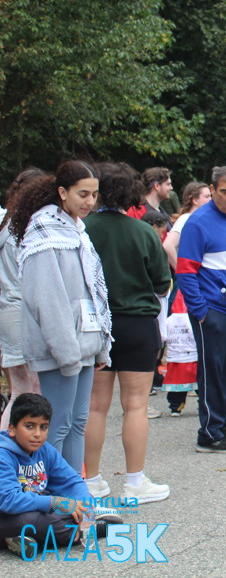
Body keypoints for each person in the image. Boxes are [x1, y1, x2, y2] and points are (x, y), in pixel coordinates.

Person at [9, 161, 112, 473]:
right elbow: (47, 301)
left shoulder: (77, 230)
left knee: (78, 422)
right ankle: (51, 493)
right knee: (57, 426)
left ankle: (74, 491)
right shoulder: (43, 234)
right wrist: (67, 353)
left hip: (83, 344)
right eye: (83, 194)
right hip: (60, 350)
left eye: (94, 194)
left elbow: (93, 292)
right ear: (62, 192)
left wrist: (99, 345)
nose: (90, 202)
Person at [82, 163, 172, 503]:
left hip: (95, 325)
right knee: (135, 406)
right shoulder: (144, 232)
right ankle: (135, 482)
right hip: (137, 323)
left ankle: (91, 480)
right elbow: (162, 283)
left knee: (94, 407)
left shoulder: (83, 229)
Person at [176, 166, 226, 453]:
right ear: (212, 190)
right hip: (212, 310)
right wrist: (200, 310)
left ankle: (222, 423)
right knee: (212, 370)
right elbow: (185, 271)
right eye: (225, 192)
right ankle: (209, 433)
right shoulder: (198, 222)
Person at [1, 393, 123, 558]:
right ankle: (94, 530)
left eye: (43, 427)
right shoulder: (3, 455)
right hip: (7, 513)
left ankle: (18, 540)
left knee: (71, 511)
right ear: (12, 429)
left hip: (29, 511)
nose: (37, 434)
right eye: (29, 426)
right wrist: (56, 502)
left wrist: (85, 510)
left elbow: (71, 481)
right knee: (42, 521)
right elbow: (9, 500)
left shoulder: (45, 450)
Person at [0, 169, 46, 430]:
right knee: (32, 390)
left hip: (7, 310)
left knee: (20, 390)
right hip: (22, 310)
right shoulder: (23, 229)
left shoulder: (5, 223)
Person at [162, 182, 212, 270]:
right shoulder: (186, 219)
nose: (211, 200)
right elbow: (167, 245)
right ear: (195, 200)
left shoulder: (201, 220)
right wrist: (181, 271)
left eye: (211, 196)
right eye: (207, 196)